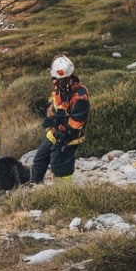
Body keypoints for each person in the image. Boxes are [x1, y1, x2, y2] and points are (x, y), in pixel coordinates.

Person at [30, 55, 90, 183]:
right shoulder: (59, 88)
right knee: (39, 160)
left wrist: (64, 135)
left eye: (59, 79)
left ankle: (64, 191)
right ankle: (34, 184)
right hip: (54, 132)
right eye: (55, 79)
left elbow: (77, 122)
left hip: (69, 137)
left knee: (60, 167)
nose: (55, 82)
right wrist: (47, 114)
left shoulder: (80, 96)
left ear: (69, 77)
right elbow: (55, 106)